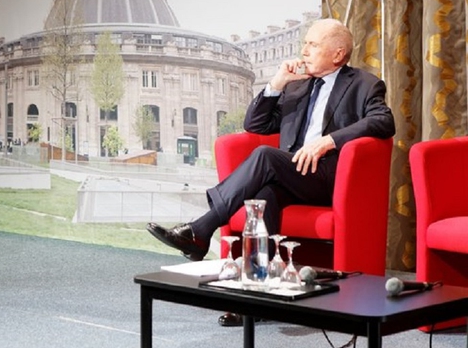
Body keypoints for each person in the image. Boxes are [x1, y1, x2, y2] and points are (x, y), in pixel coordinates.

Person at [147, 18, 395, 324]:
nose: (304, 50)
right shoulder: (297, 86)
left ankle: (201, 229)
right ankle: (256, 301)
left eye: (313, 45)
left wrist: (328, 141)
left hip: (329, 179)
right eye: (304, 43)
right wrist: (277, 84)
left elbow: (384, 121)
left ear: (338, 53)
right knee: (264, 198)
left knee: (265, 155)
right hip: (292, 175)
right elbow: (256, 124)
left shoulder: (364, 84)